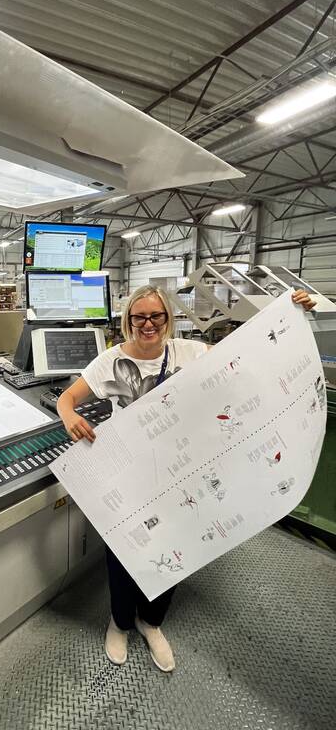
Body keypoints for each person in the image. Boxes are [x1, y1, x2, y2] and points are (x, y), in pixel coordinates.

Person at [56, 284, 316, 672]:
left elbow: (248, 355)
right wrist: (69, 416)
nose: (148, 324)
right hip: (130, 477)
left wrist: (291, 313)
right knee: (123, 554)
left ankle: (151, 622)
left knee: (176, 547)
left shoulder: (190, 352)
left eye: (156, 316)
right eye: (139, 317)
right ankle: (120, 622)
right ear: (128, 320)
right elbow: (67, 399)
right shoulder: (109, 362)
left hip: (178, 475)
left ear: (167, 318)